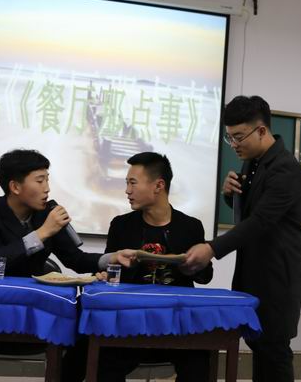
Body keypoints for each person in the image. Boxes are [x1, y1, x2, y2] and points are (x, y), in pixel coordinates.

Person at [0, 149, 136, 382]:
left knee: (89, 325)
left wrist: (111, 258)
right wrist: (42, 233)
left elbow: (75, 259)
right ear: (15, 187)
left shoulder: (46, 214)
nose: (47, 188)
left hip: (40, 311)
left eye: (47, 180)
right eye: (40, 181)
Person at [183, 96, 301, 382]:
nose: (234, 144)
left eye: (238, 137)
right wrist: (230, 195)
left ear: (261, 131)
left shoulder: (285, 168)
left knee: (274, 351)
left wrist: (212, 248)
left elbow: (262, 220)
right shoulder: (253, 162)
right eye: (230, 138)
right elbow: (253, 211)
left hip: (277, 277)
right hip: (253, 271)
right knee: (260, 347)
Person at [91, 151, 213, 382]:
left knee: (199, 362)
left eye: (133, 183)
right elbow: (109, 273)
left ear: (158, 185)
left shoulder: (190, 227)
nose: (127, 191)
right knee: (103, 361)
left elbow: (206, 277)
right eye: (127, 183)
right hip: (130, 322)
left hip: (176, 323)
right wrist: (104, 276)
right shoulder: (121, 225)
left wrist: (193, 267)